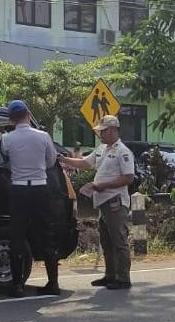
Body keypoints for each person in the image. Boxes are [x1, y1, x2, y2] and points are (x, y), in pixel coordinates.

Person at [58, 115, 135, 290]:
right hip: (102, 202)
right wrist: (63, 159)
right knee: (106, 240)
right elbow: (85, 163)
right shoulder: (102, 148)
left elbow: (128, 178)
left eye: (104, 131)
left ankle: (123, 278)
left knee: (119, 240)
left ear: (114, 130)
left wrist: (103, 185)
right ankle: (110, 275)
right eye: (100, 132)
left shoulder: (123, 152)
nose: (101, 135)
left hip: (115, 200)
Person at [0, 100, 61, 297]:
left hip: (18, 190)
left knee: (17, 236)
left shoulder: (7, 138)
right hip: (40, 189)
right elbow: (51, 161)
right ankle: (53, 283)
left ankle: (17, 285)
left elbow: (3, 158)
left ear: (11, 119)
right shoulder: (43, 136)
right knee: (46, 235)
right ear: (28, 113)